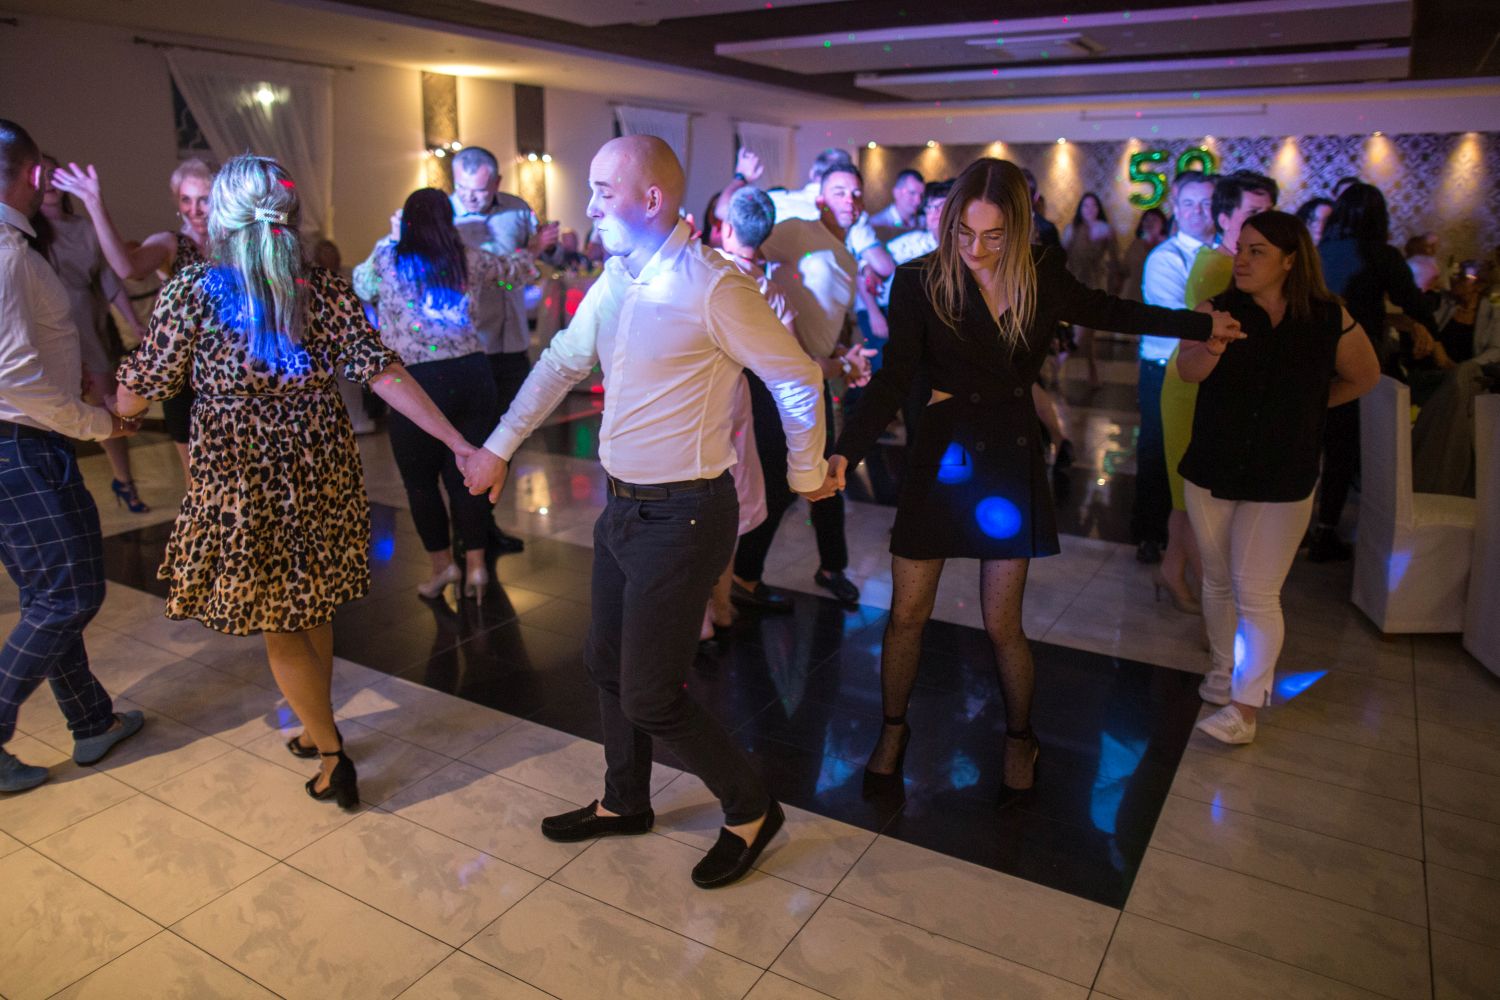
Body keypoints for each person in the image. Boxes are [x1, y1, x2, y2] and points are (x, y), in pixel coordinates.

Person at [460, 135, 832, 888]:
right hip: (624, 509)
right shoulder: (618, 278)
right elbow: (562, 362)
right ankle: (625, 799)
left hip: (686, 515)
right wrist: (497, 448)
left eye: (603, 191)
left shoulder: (714, 285)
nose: (590, 207)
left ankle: (752, 807)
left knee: (652, 694)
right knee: (605, 663)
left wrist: (807, 472)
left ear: (651, 199)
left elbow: (797, 378)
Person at [825, 157, 1241, 796]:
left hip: (1006, 458)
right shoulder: (917, 279)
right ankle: (892, 729)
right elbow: (894, 375)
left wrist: (1200, 323)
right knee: (906, 613)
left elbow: (1111, 311)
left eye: (993, 236)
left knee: (1002, 623)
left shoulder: (1040, 272)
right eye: (964, 233)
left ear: (1017, 229)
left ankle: (1021, 736)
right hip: (942, 459)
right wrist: (846, 451)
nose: (975, 249)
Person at [114, 155, 475, 809]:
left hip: (244, 480)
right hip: (320, 471)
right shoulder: (320, 288)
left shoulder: (195, 289)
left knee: (280, 625)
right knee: (310, 607)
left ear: (222, 218)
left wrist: (116, 405)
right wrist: (457, 441)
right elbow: (381, 371)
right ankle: (317, 727)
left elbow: (144, 386)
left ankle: (332, 755)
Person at [1177, 210, 1380, 743]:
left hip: (1284, 470)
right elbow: (1187, 370)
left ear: (1290, 260)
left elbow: (1365, 375)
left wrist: (1308, 410)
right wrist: (1213, 346)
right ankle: (1222, 670)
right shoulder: (1215, 310)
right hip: (1214, 462)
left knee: (1258, 593)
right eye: (1240, 248)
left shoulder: (1327, 317)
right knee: (1217, 579)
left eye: (1257, 251)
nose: (1241, 259)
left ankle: (1244, 709)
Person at [0, 119, 145, 793]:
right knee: (69, 594)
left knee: (47, 591)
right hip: (19, 444)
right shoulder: (6, 252)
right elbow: (12, 378)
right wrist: (98, 422)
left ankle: (91, 720)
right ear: (33, 175)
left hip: (27, 439)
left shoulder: (18, 246)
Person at [355, 188, 537, 602]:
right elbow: (518, 272)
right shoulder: (467, 257)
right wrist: (536, 249)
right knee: (468, 474)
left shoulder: (388, 257)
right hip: (471, 374)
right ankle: (476, 567)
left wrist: (389, 236)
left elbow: (360, 285)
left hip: (413, 383)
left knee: (420, 482)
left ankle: (443, 567)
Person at [747, 160, 876, 608]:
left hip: (814, 376)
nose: (850, 200)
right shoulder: (800, 231)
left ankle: (830, 568)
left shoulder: (846, 252)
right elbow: (745, 253)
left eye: (856, 193)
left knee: (825, 474)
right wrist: (772, 324)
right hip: (779, 377)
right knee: (781, 483)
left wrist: (843, 354)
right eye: (840, 191)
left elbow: (828, 321)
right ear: (820, 198)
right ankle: (744, 577)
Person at [52, 157, 215, 490]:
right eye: (186, 199)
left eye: (204, 199)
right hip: (188, 377)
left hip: (236, 376)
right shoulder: (171, 243)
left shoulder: (238, 243)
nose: (194, 209)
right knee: (199, 484)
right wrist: (95, 203)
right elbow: (127, 268)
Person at [1158, 170, 1278, 619]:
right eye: (1253, 212)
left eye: (1268, 212)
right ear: (1225, 218)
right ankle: (1216, 607)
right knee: (1193, 494)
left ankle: (1172, 571)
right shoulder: (1220, 266)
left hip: (1205, 383)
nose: (1263, 221)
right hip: (1193, 386)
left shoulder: (1230, 262)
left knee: (1186, 496)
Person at [1312, 182, 1440, 560]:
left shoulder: (1318, 254)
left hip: (1313, 357)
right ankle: (1327, 531)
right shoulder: (1382, 255)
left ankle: (1299, 526)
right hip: (1356, 358)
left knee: (1312, 443)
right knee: (1344, 448)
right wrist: (1423, 321)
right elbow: (1414, 303)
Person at [447, 145, 555, 557]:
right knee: (474, 444)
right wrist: (531, 255)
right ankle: (469, 534)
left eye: (479, 189)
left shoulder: (517, 210)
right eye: (463, 189)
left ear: (496, 181)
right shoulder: (447, 217)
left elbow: (533, 264)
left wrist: (545, 248)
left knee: (507, 441)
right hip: (472, 347)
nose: (471, 198)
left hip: (513, 345)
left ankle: (485, 525)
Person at [34, 154, 150, 512]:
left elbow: (110, 280)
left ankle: (124, 480)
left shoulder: (83, 227)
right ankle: (58, 488)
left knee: (106, 404)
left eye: (55, 174)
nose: (50, 182)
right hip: (48, 327)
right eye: (43, 175)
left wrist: (133, 322)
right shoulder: (29, 233)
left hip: (88, 324)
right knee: (52, 407)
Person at [701, 186, 790, 640]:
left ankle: (705, 613)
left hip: (704, 404)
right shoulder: (770, 291)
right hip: (744, 407)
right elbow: (789, 361)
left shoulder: (704, 271)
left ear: (726, 229)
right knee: (729, 509)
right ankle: (720, 607)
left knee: (701, 508)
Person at [1133, 170, 1216, 564]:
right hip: (1163, 367)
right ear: (1176, 210)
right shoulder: (1166, 258)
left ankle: (1189, 537)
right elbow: (1179, 322)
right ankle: (1150, 534)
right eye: (1188, 203)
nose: (1197, 211)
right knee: (1156, 450)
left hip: (1204, 366)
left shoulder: (1225, 257)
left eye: (1206, 203)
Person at [1063, 192, 1123, 387]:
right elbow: (1062, 255)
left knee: (1088, 331)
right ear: (1080, 209)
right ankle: (1072, 366)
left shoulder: (1105, 230)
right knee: (1083, 331)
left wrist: (1115, 283)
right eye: (1086, 206)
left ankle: (1066, 366)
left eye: (1093, 206)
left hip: (1096, 283)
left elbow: (1114, 259)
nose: (1090, 210)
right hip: (1074, 283)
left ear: (1099, 209)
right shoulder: (1072, 229)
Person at [1119, 208, 1167, 303]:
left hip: (1160, 297)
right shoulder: (1136, 244)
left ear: (1162, 223)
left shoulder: (1167, 246)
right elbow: (1125, 269)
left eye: (1154, 219)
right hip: (1134, 295)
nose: (1150, 223)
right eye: (1146, 220)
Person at [870, 169, 925, 239]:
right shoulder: (876, 224)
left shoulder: (924, 222)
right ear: (896, 193)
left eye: (921, 195)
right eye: (912, 193)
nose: (918, 201)